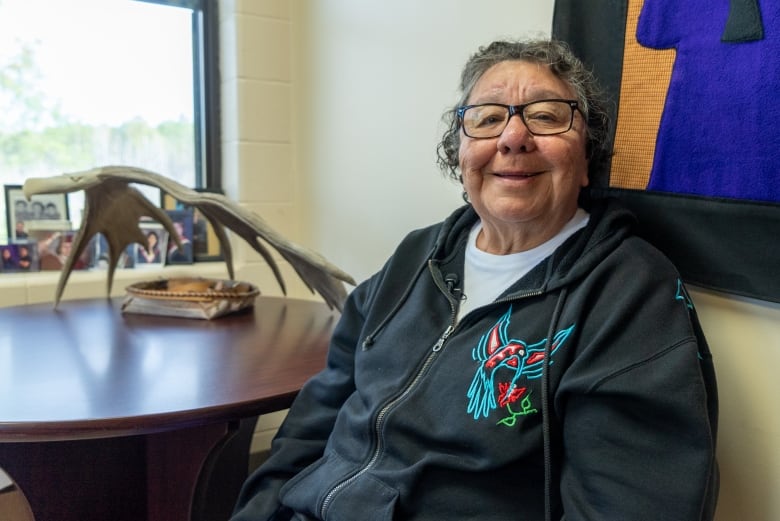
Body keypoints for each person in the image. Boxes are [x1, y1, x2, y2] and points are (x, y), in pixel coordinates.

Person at [231, 39, 718, 521]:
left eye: (546, 116)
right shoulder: (416, 256)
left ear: (586, 158)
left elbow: (632, 504)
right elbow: (314, 420)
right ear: (461, 155)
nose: (512, 137)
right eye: (487, 119)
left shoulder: (628, 292)